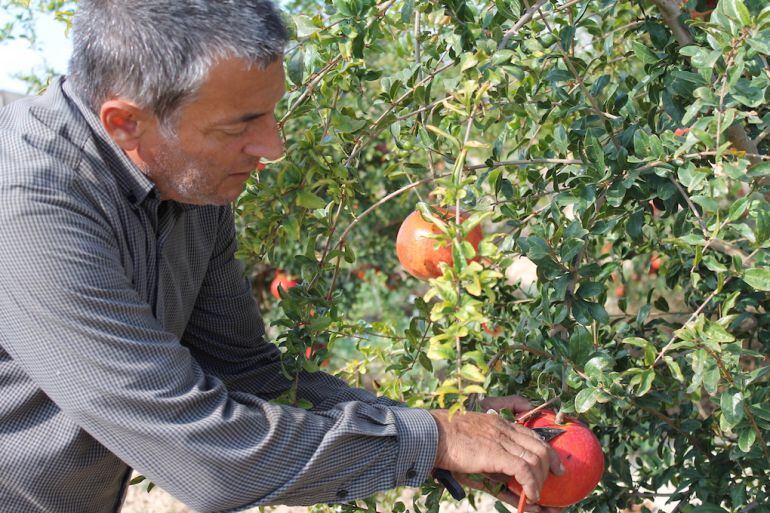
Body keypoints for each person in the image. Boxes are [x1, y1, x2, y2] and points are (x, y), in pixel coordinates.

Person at [0, 1, 564, 512]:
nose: (272, 148)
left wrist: (452, 437)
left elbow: (247, 373)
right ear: (126, 122)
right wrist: (430, 438)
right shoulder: (28, 205)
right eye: (239, 126)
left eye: (270, 114)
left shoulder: (190, 182)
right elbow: (202, 451)